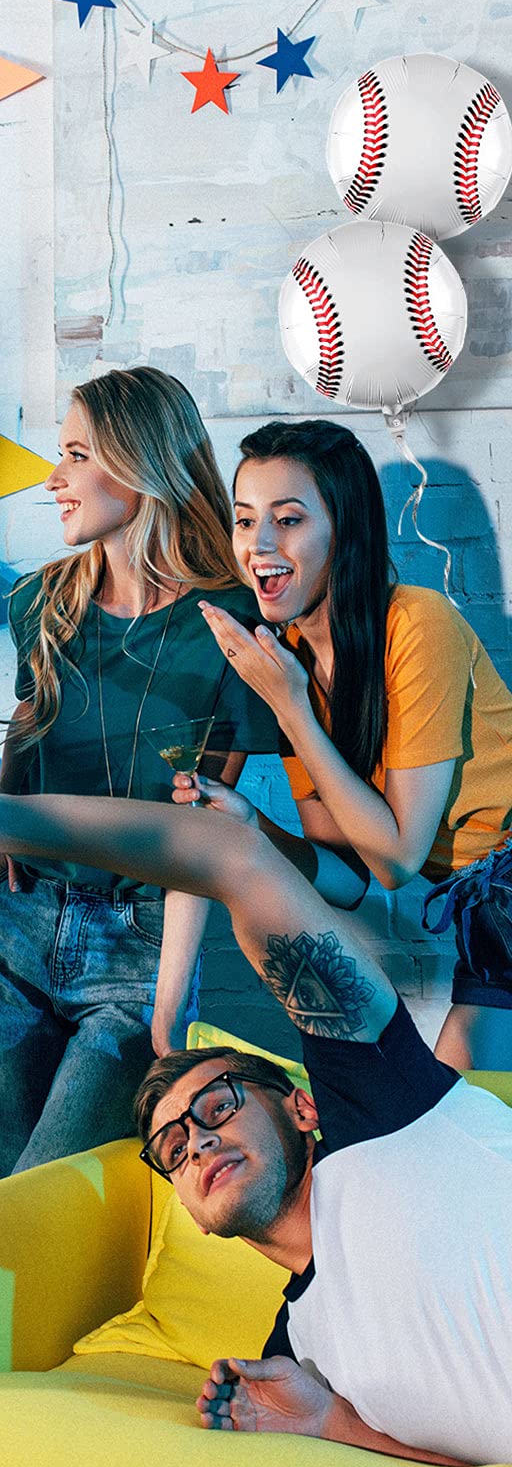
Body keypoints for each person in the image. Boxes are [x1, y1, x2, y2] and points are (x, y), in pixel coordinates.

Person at [0, 774, 512, 1467]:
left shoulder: (384, 1107)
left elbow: (235, 860)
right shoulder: (296, 1360)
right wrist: (330, 1422)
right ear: (189, 1210)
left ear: (304, 1107)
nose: (199, 1142)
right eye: (173, 1149)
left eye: (218, 1106)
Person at [0, 367, 279, 1178]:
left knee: (49, 1190)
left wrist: (169, 1004)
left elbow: (206, 834)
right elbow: (30, 723)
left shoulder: (230, 622)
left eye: (78, 455)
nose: (54, 478)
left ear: (142, 465)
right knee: (1, 1188)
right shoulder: (42, 601)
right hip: (17, 927)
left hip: (140, 947)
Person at [179, 420, 512, 1070]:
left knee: (457, 1108)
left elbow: (396, 860)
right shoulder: (288, 664)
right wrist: (253, 827)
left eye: (288, 519)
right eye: (245, 520)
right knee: (462, 1113)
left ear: (345, 529)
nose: (259, 543)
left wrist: (290, 706)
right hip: (489, 913)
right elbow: (349, 879)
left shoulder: (416, 625)